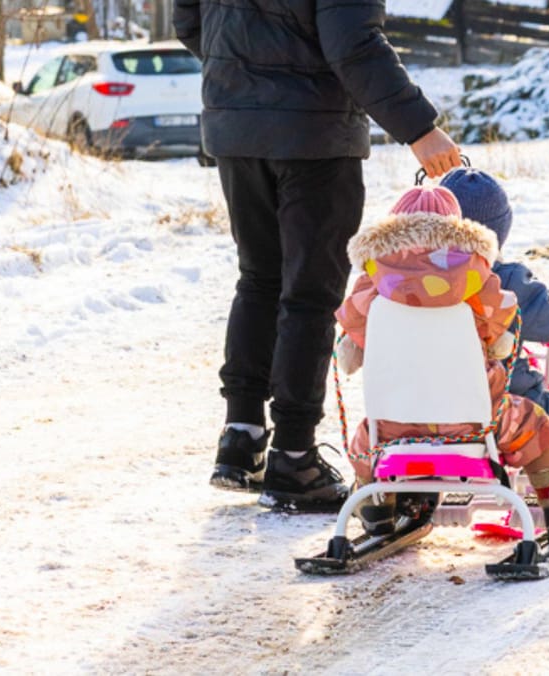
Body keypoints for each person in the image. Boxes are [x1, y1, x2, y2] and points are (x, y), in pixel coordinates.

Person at [173, 0, 464, 512]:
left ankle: (240, 438)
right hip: (313, 134)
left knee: (259, 278)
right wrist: (419, 128)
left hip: (236, 129)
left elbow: (188, 22)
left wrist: (248, 83)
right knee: (309, 293)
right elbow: (353, 45)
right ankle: (293, 456)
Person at [334, 185, 549, 544]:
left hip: (395, 425)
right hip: (475, 424)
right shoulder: (474, 283)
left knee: (366, 441)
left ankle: (375, 508)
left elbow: (353, 330)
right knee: (534, 427)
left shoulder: (371, 288)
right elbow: (500, 327)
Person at [440, 168, 549, 498]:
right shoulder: (502, 282)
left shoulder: (399, 286)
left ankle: (392, 504)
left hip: (414, 413)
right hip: (496, 411)